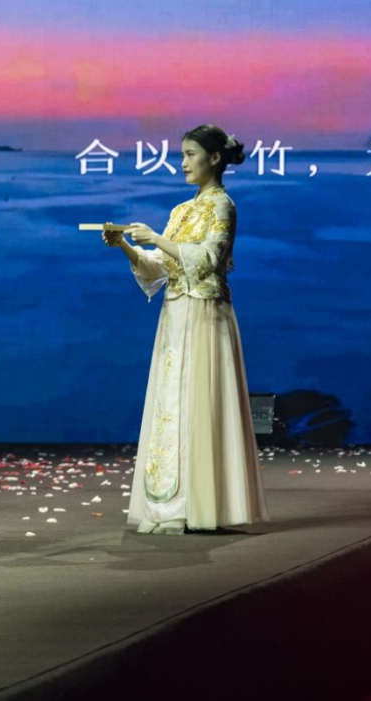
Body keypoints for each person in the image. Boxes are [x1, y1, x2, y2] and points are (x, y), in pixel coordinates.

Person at [103, 124, 268, 534]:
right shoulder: (180, 211)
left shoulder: (223, 206)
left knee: (200, 405)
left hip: (206, 315)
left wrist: (156, 238)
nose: (183, 163)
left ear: (215, 158)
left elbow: (207, 259)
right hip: (175, 315)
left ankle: (201, 506)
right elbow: (159, 268)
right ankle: (166, 506)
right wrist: (126, 246)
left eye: (191, 155)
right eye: (182, 155)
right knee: (170, 407)